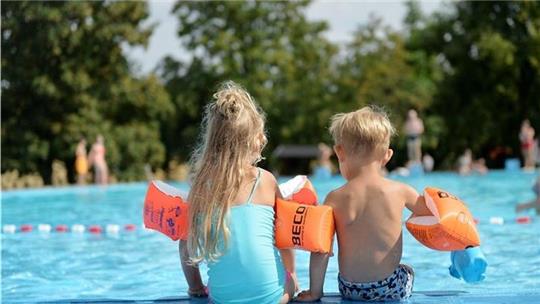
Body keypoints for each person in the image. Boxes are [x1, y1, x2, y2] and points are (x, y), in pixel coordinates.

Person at [296, 106, 431, 302]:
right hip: (388, 287)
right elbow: (435, 216)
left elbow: (320, 249)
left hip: (349, 288)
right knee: (407, 270)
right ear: (387, 155)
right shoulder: (401, 191)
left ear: (339, 152)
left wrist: (315, 292)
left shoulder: (334, 198)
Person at [179, 81, 297, 303]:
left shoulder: (201, 187)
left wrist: (195, 288)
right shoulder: (265, 180)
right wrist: (293, 278)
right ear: (254, 140)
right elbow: (284, 236)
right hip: (272, 298)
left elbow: (186, 245)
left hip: (223, 299)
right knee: (289, 282)